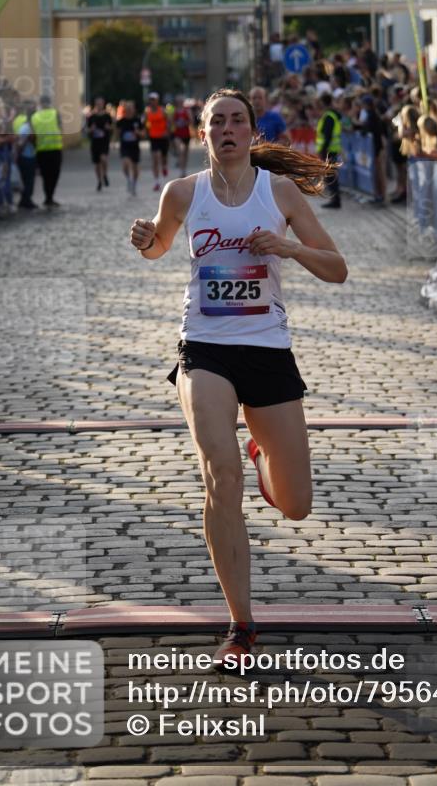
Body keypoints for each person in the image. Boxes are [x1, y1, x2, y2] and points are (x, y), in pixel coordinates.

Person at [129, 88, 347, 669]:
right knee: (219, 475)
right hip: (204, 348)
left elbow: (338, 269)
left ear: (252, 132)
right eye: (215, 122)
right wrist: (148, 240)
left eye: (236, 120)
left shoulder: (278, 193)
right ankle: (240, 622)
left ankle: (261, 452)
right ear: (202, 134)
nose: (226, 129)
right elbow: (159, 245)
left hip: (267, 351)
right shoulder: (182, 193)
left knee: (296, 504)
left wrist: (287, 246)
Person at [31, 94, 63, 208]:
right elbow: (61, 128)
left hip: (41, 150)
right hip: (55, 149)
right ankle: (50, 197)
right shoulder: (56, 113)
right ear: (50, 102)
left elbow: (33, 133)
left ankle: (47, 197)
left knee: (45, 175)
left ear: (40, 103)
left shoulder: (35, 116)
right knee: (54, 174)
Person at [316, 92, 343, 209]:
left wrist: (323, 150)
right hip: (331, 150)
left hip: (329, 151)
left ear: (323, 103)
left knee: (330, 176)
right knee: (330, 175)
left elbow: (327, 136)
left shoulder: (329, 117)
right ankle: (334, 199)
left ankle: (335, 200)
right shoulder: (331, 115)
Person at [143, 92, 170, 191]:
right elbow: (146, 123)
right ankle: (157, 182)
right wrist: (146, 131)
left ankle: (164, 167)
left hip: (163, 137)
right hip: (153, 137)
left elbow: (169, 122)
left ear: (157, 100)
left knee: (163, 158)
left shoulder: (162, 110)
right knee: (155, 158)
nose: (152, 101)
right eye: (151, 99)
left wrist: (167, 131)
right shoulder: (147, 111)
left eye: (154, 99)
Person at [117, 101, 143, 195]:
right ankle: (129, 179)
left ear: (134, 110)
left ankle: (134, 184)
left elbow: (143, 134)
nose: (129, 110)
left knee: (135, 168)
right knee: (126, 164)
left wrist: (138, 133)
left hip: (135, 147)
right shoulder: (121, 121)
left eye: (131, 108)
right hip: (125, 146)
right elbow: (117, 133)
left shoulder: (137, 120)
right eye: (127, 108)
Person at [87, 97, 113, 191]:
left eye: (101, 104)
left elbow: (112, 128)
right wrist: (91, 129)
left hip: (104, 141)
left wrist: (108, 127)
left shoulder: (107, 115)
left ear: (103, 104)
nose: (99, 105)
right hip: (95, 142)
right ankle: (99, 181)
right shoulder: (91, 116)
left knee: (104, 159)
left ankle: (105, 174)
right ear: (95, 104)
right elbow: (87, 130)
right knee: (97, 164)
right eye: (97, 104)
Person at [171, 95, 192, 177]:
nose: (180, 102)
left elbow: (191, 121)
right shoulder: (175, 111)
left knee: (185, 153)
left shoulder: (187, 111)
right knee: (180, 151)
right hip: (177, 134)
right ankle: (181, 170)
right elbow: (171, 121)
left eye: (181, 101)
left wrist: (185, 123)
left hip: (186, 134)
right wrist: (176, 124)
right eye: (178, 101)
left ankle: (184, 169)